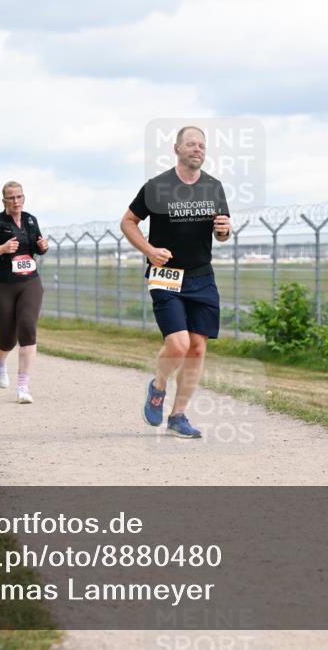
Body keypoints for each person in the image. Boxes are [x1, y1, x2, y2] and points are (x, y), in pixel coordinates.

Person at [119, 126, 232, 439]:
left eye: (202, 146)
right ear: (177, 148)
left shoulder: (214, 187)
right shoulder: (158, 186)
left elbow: (222, 233)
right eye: (191, 144)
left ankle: (178, 415)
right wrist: (149, 250)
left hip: (202, 276)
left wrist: (224, 230)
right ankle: (158, 387)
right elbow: (128, 222)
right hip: (166, 274)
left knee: (197, 349)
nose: (197, 149)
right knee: (178, 344)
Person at [0, 181, 49, 403]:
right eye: (11, 198)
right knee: (7, 339)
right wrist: (0, 249)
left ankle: (23, 388)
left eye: (19, 197)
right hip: (2, 286)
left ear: (24, 198)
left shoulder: (30, 220)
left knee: (27, 328)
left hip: (29, 282)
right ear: (4, 200)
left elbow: (36, 248)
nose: (16, 201)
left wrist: (43, 247)